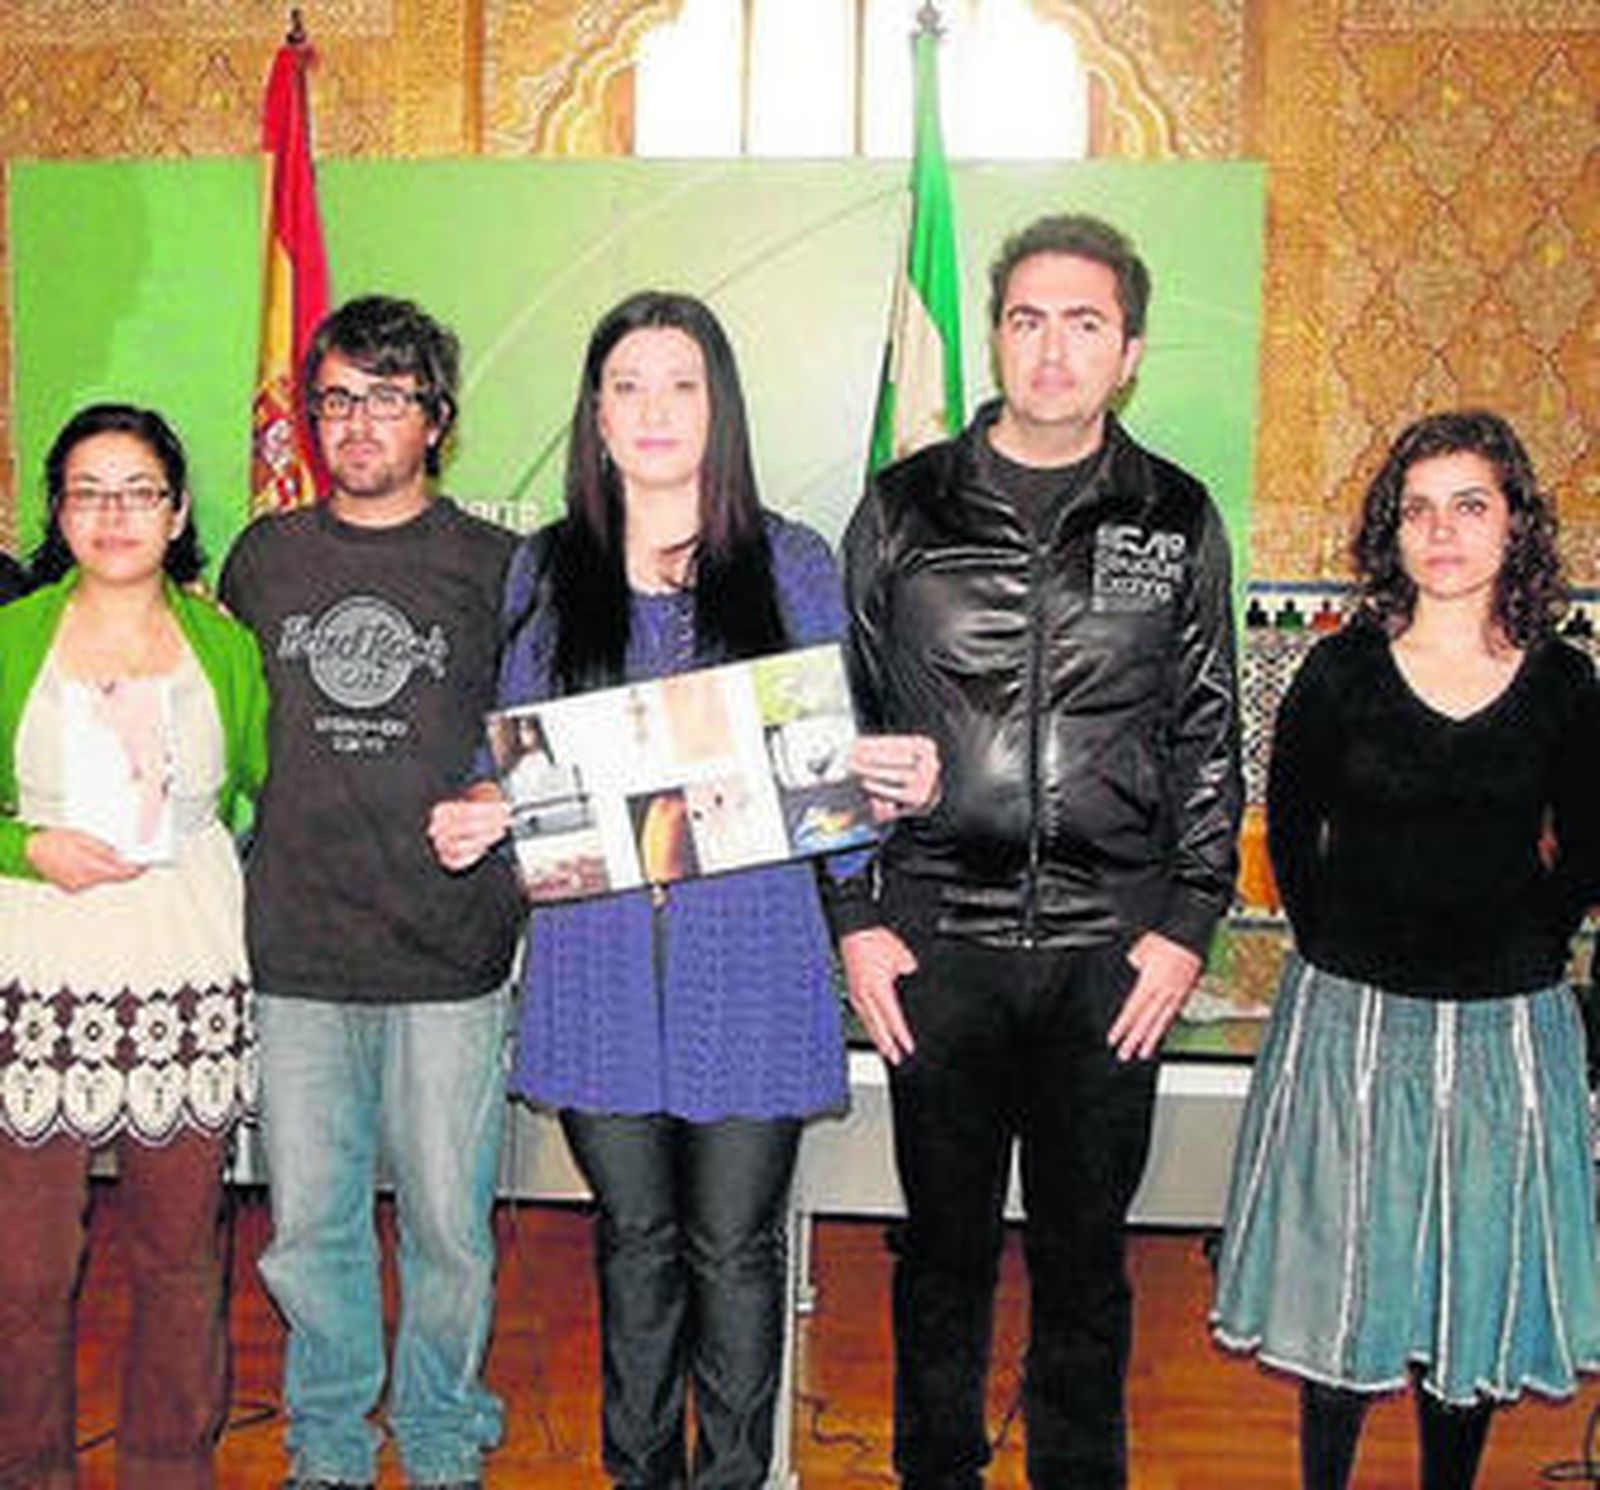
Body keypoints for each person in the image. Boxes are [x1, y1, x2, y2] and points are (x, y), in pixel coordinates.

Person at [429, 290, 938, 1490]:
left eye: (681, 383)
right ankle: (639, 1468)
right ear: (595, 417)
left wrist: (885, 783)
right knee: (637, 1246)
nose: (654, 408)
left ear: (721, 409)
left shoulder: (793, 560)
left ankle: (733, 1477)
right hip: (599, 966)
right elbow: (509, 750)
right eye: (627, 385)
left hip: (753, 963)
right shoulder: (547, 569)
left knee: (735, 1249)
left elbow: (836, 760)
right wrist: (481, 809)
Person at [837, 213, 1242, 1488]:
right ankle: (935, 1470)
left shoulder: (1170, 514)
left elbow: (1208, 730)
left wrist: (1185, 923)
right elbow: (838, 724)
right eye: (1026, 319)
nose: (1052, 349)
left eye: (1084, 323)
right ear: (995, 338)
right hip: (936, 942)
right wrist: (854, 914)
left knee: (1086, 1255)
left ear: (1127, 350)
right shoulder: (904, 506)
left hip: (1107, 958)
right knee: (940, 1247)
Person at [1211, 409, 1600, 1490]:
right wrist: (1333, 938)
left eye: (1469, 505)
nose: (1442, 531)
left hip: (1500, 1027)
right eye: (1418, 509)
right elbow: (1288, 828)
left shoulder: (1566, 687)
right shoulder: (1338, 675)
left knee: (1463, 1289)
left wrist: (1527, 936)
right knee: (1349, 1279)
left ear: (1513, 525)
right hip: (1354, 1019)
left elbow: (1588, 846)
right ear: (1393, 532)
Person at [219, 297, 524, 1490]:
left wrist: (498, 794)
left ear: (436, 420)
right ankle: (330, 1438)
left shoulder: (500, 568)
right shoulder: (266, 558)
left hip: (449, 949)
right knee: (310, 1228)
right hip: (295, 944)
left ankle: (444, 1428)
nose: (357, 421)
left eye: (387, 397)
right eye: (337, 397)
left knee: (448, 1224)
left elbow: (533, 738)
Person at [0, 404, 267, 1489]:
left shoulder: (225, 644)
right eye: (88, 491)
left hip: (183, 975)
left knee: (178, 1258)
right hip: (34, 979)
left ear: (179, 508)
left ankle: (167, 1467)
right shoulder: (11, 637)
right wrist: (27, 846)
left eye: (139, 489)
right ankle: (30, 1468)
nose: (114, 513)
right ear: (58, 511)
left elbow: (254, 787)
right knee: (24, 1269)